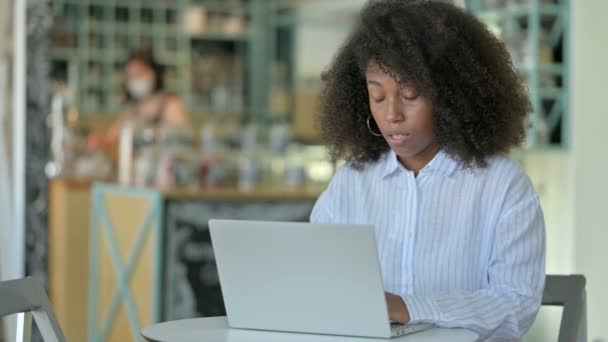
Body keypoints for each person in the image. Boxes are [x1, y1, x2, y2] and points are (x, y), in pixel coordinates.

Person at [310, 1, 545, 340]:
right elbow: (317, 283)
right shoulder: (351, 184)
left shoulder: (503, 186)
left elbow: (516, 304)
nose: (392, 115)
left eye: (410, 95)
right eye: (377, 97)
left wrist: (408, 307)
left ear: (453, 97)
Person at [88, 48, 188, 149]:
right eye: (130, 76)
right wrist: (101, 140)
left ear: (154, 73)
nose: (134, 80)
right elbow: (112, 137)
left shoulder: (171, 104)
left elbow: (182, 140)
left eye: (139, 74)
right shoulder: (133, 108)